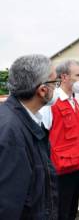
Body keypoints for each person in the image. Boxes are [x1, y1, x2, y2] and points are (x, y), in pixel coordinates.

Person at [0, 54, 59, 219]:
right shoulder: (11, 131)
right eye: (55, 82)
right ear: (42, 90)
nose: (57, 88)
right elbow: (7, 205)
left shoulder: (23, 119)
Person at [40, 60, 79, 220]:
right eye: (78, 75)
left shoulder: (74, 101)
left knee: (72, 209)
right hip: (60, 170)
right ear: (64, 77)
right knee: (60, 211)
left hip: (77, 165)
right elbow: (41, 137)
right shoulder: (51, 103)